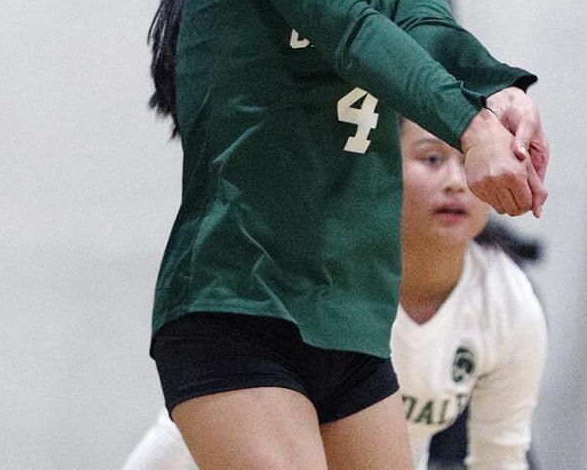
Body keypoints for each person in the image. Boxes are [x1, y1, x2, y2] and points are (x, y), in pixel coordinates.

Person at [143, 0, 551, 469]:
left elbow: (431, 42)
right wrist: (470, 129)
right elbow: (350, 28)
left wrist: (500, 95)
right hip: (238, 300)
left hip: (355, 322)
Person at [122, 120, 548, 470]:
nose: (456, 181)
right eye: (431, 158)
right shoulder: (326, 270)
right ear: (380, 166)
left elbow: (501, 457)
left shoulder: (509, 302)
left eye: (471, 160)